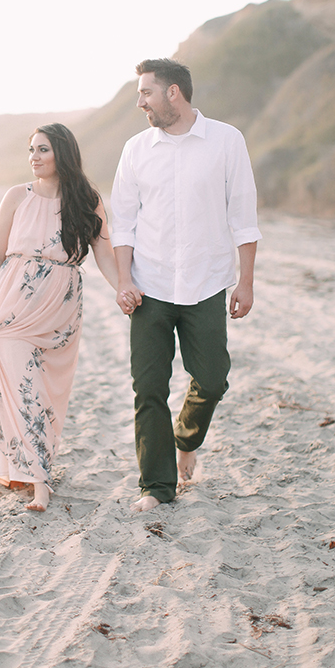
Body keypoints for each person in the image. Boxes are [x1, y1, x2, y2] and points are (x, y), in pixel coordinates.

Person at [111, 59, 262, 511]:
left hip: (207, 284)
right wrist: (123, 280)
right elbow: (123, 224)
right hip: (149, 287)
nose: (140, 102)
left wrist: (246, 282)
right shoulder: (136, 149)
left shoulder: (226, 141)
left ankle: (186, 438)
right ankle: (156, 487)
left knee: (213, 379)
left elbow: (244, 217)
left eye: (146, 93)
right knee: (149, 388)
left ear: (173, 92)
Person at [0, 124, 137, 512]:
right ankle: (39, 481)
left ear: (62, 152)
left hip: (59, 314)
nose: (34, 157)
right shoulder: (15, 197)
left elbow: (104, 255)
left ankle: (28, 469)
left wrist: (121, 288)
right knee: (20, 389)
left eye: (42, 149)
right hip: (12, 308)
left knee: (43, 394)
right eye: (31, 150)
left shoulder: (86, 200)